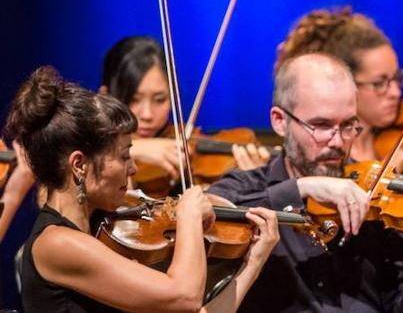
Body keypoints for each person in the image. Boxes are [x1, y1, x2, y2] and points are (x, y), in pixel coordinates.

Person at [208, 52, 403, 313]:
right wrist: (302, 188)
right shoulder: (247, 187)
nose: (337, 142)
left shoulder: (371, 199)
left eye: (348, 126)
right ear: (280, 121)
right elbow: (206, 214)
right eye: (322, 126)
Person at [5, 66, 279, 312]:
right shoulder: (56, 244)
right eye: (124, 156)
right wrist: (187, 218)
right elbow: (184, 297)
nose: (134, 168)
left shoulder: (97, 231)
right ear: (79, 164)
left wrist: (252, 264)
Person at [275, 8, 403, 172]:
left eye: (396, 79)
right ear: (347, 85)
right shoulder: (329, 155)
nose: (396, 93)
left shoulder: (396, 137)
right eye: (379, 83)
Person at [101, 36, 271, 186]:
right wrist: (135, 149)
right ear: (105, 95)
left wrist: (247, 184)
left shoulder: (184, 142)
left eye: (160, 100)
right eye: (133, 100)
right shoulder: (84, 152)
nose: (147, 115)